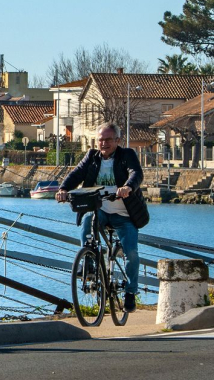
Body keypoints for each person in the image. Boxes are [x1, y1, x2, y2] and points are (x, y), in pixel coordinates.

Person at [55, 122, 148, 311]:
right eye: (100, 140)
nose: (103, 143)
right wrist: (63, 189)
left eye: (108, 140)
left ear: (117, 141)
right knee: (88, 219)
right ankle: (88, 259)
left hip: (124, 214)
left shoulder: (126, 155)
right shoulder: (91, 157)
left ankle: (130, 292)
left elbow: (136, 173)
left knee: (131, 253)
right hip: (101, 211)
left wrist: (128, 187)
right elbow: (77, 173)